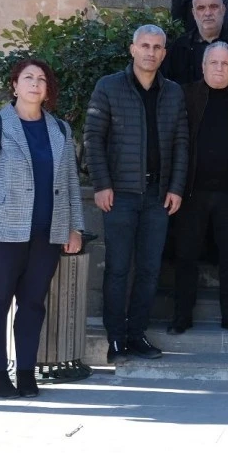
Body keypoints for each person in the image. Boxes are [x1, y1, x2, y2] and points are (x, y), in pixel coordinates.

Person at [0, 58, 83, 398]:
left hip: (47, 233)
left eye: (41, 79)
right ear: (15, 85)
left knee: (32, 304)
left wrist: (75, 227)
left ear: (47, 89)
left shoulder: (60, 130)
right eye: (28, 78)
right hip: (2, 232)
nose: (35, 84)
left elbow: (71, 182)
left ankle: (26, 372)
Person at [84, 25, 188, 364]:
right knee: (117, 268)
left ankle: (136, 334)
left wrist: (176, 187)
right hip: (120, 195)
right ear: (132, 49)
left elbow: (181, 143)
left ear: (164, 53)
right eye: (145, 46)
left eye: (157, 47)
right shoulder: (109, 86)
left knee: (149, 269)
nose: (150, 52)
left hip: (158, 195)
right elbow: (93, 138)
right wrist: (101, 184)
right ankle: (115, 338)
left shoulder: (173, 92)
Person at [170, 42, 228, 335]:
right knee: (186, 255)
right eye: (214, 63)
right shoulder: (185, 95)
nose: (220, 68)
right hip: (191, 193)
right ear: (203, 67)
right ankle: (182, 316)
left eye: (225, 64)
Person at [162, 0, 226, 84]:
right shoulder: (178, 48)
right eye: (201, 8)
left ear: (223, 10)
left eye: (213, 7)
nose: (208, 13)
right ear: (193, 13)